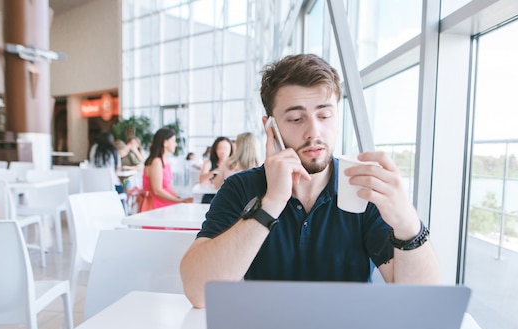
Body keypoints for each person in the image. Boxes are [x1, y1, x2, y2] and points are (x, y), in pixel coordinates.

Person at [180, 53, 440, 308]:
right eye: (296, 119)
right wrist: (271, 203)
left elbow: (421, 302)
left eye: (325, 116)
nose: (314, 131)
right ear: (270, 127)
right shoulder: (242, 187)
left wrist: (407, 222)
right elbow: (199, 293)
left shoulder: (360, 188)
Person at [143, 127, 192, 208]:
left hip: (166, 204)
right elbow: (157, 191)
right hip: (157, 206)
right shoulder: (156, 162)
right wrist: (179, 201)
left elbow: (168, 186)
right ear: (165, 143)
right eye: (173, 141)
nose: (176, 144)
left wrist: (178, 198)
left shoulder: (165, 161)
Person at [198, 136, 233, 203]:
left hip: (228, 197)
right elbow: (202, 180)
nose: (223, 151)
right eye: (220, 148)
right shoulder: (209, 163)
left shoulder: (234, 164)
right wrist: (217, 170)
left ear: (231, 150)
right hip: (211, 197)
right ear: (215, 149)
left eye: (226, 148)